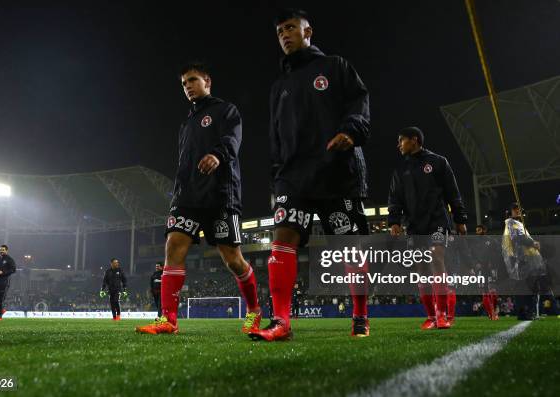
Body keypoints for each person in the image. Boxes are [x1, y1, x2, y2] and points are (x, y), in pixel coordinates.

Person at [249, 8, 371, 342]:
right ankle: (281, 322)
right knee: (281, 240)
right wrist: (277, 176)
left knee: (350, 248)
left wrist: (351, 130)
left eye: (290, 28)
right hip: (294, 176)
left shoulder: (335, 66)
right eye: (279, 32)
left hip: (337, 169)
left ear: (307, 32)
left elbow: (359, 103)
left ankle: (360, 316)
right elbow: (275, 136)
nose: (284, 35)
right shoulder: (279, 86)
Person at [136, 62, 261, 336]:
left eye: (193, 80)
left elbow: (232, 139)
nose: (188, 86)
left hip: (220, 195)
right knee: (174, 245)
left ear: (207, 81)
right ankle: (168, 319)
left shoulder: (225, 110)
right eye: (184, 84)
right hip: (188, 197)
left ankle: (254, 310)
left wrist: (217, 154)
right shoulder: (187, 123)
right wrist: (179, 191)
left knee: (232, 259)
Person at [388, 126, 468, 330]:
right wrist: (394, 221)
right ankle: (431, 316)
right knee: (422, 269)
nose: (398, 145)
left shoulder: (438, 162)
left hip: (437, 221)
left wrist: (460, 218)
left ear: (414, 140)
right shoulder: (400, 170)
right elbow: (395, 198)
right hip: (414, 225)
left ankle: (442, 315)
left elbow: (453, 192)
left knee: (436, 258)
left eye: (401, 140)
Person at [501, 203, 545, 321]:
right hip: (522, 259)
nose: (517, 211)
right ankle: (524, 312)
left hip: (527, 259)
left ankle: (530, 312)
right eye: (515, 209)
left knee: (532, 286)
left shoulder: (519, 224)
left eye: (519, 209)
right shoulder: (511, 222)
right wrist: (533, 243)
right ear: (510, 211)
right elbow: (517, 237)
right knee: (526, 287)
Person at [471, 224, 500, 320]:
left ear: (484, 230)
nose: (477, 232)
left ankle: (495, 310)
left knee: (493, 291)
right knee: (484, 292)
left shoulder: (492, 241)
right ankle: (491, 314)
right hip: (480, 269)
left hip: (491, 268)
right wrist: (475, 264)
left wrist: (493, 263)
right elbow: (472, 255)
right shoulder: (474, 243)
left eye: (479, 230)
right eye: (476, 230)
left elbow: (498, 253)